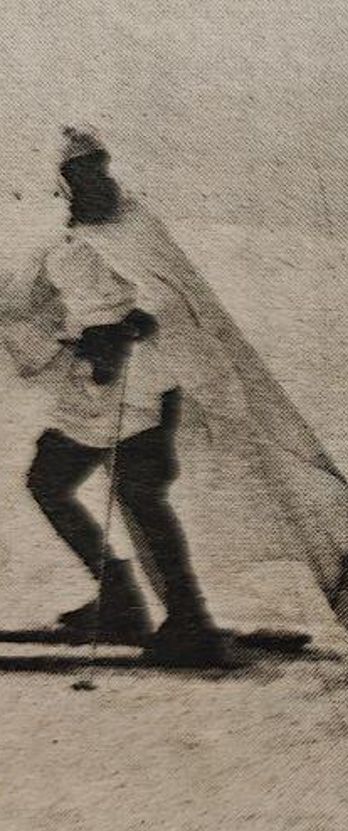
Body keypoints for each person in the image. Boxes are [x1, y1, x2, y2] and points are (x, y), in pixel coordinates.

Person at [22, 127, 227, 664]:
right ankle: (119, 599)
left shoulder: (134, 225)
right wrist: (74, 338)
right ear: (63, 183)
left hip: (143, 379)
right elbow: (31, 301)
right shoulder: (64, 238)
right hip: (90, 383)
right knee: (48, 481)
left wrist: (127, 328)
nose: (92, 180)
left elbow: (173, 293)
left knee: (138, 496)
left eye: (97, 168)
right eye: (78, 173)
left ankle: (189, 622)